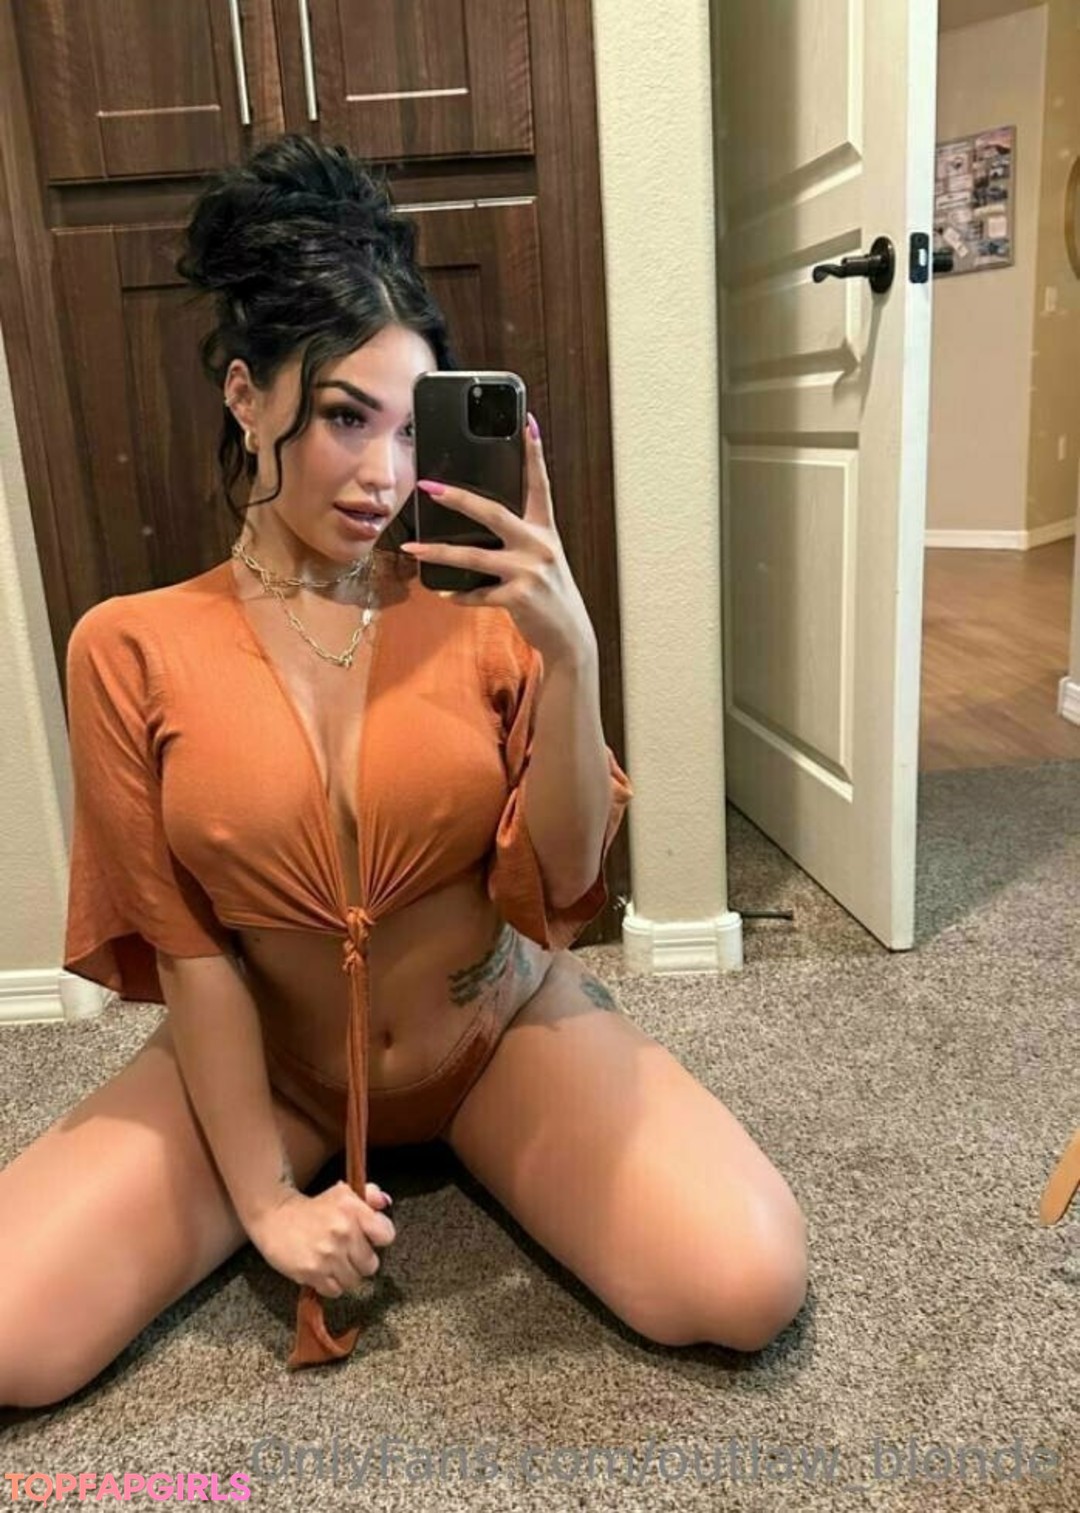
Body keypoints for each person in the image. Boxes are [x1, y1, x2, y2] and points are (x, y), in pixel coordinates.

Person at [0, 135, 807, 1408]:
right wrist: (269, 1202)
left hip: (495, 1035)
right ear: (246, 394)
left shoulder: (483, 612)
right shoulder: (129, 646)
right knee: (10, 1336)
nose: (383, 476)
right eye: (342, 416)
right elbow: (192, 954)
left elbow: (570, 873)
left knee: (748, 1280)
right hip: (273, 1064)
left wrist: (573, 652)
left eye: (404, 423)